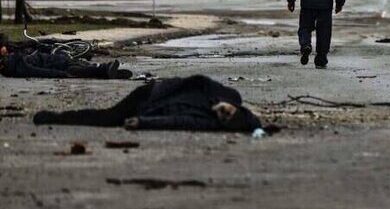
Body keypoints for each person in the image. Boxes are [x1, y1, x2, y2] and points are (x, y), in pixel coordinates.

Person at [33, 75, 266, 132]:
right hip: (152, 94)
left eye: (224, 118)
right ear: (235, 107)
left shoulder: (211, 122)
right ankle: (53, 118)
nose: (221, 113)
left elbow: (178, 122)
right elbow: (199, 80)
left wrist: (143, 122)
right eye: (228, 112)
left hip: (149, 109)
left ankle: (53, 118)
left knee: (108, 119)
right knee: (109, 118)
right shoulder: (227, 94)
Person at [0, 45, 131, 79]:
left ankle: (105, 71)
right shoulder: (13, 66)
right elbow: (37, 71)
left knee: (77, 65)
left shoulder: (11, 61)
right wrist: (59, 74)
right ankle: (104, 69)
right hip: (53, 65)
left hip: (52, 59)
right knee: (74, 69)